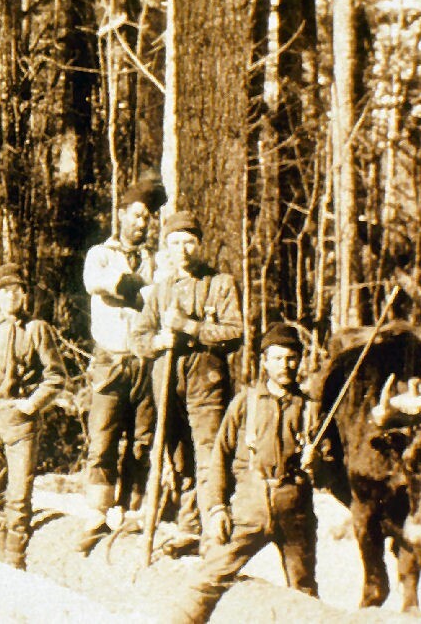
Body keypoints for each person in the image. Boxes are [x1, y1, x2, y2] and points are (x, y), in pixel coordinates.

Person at [165, 323, 322, 624]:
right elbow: (219, 458)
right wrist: (217, 508)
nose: (285, 365)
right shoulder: (244, 403)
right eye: (277, 358)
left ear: (300, 360)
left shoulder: (309, 409)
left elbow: (327, 473)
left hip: (295, 510)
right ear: (264, 361)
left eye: (291, 358)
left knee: (303, 592)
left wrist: (317, 462)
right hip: (249, 507)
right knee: (208, 578)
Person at [130, 209, 241, 555]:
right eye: (175, 243)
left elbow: (235, 332)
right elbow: (138, 337)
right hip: (166, 382)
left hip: (206, 379)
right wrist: (158, 341)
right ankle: (189, 528)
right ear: (166, 247)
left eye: (189, 242)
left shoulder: (220, 284)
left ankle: (214, 534)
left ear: (200, 245)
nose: (183, 250)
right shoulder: (159, 291)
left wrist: (189, 327)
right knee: (178, 457)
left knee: (208, 453)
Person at [0, 263, 66, 570]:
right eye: (4, 292)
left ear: (24, 295)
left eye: (16, 291)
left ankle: (15, 561)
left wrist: (31, 405)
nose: (10, 297)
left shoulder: (37, 329)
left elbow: (56, 377)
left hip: (19, 419)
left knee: (18, 495)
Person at [77, 175, 161, 552]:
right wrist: (138, 289)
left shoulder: (155, 261)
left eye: (147, 218)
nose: (141, 223)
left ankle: (130, 510)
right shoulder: (101, 254)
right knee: (104, 436)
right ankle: (98, 511)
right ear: (122, 214)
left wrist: (145, 293)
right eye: (136, 215)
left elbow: (162, 298)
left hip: (145, 361)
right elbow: (98, 283)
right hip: (110, 360)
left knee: (142, 440)